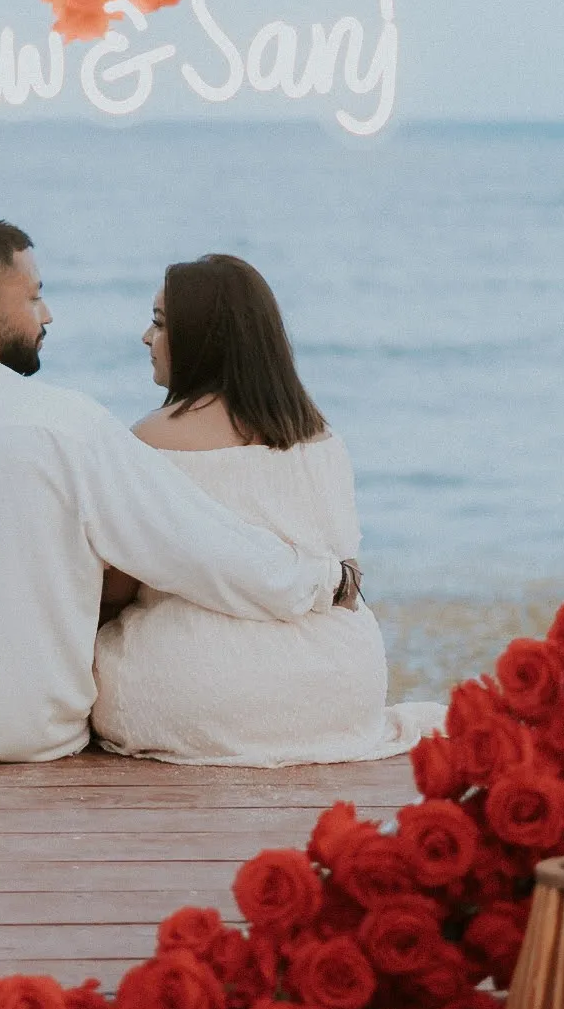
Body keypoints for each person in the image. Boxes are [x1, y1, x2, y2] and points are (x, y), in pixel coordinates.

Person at [0, 219, 356, 766]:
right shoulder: (72, 427)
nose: (47, 314)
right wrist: (322, 578)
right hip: (40, 733)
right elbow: (201, 548)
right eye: (33, 297)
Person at [92, 253, 446, 765]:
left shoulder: (150, 441)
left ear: (202, 338)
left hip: (203, 690)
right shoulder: (318, 435)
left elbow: (119, 589)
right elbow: (347, 571)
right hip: (337, 686)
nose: (147, 337)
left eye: (160, 323)